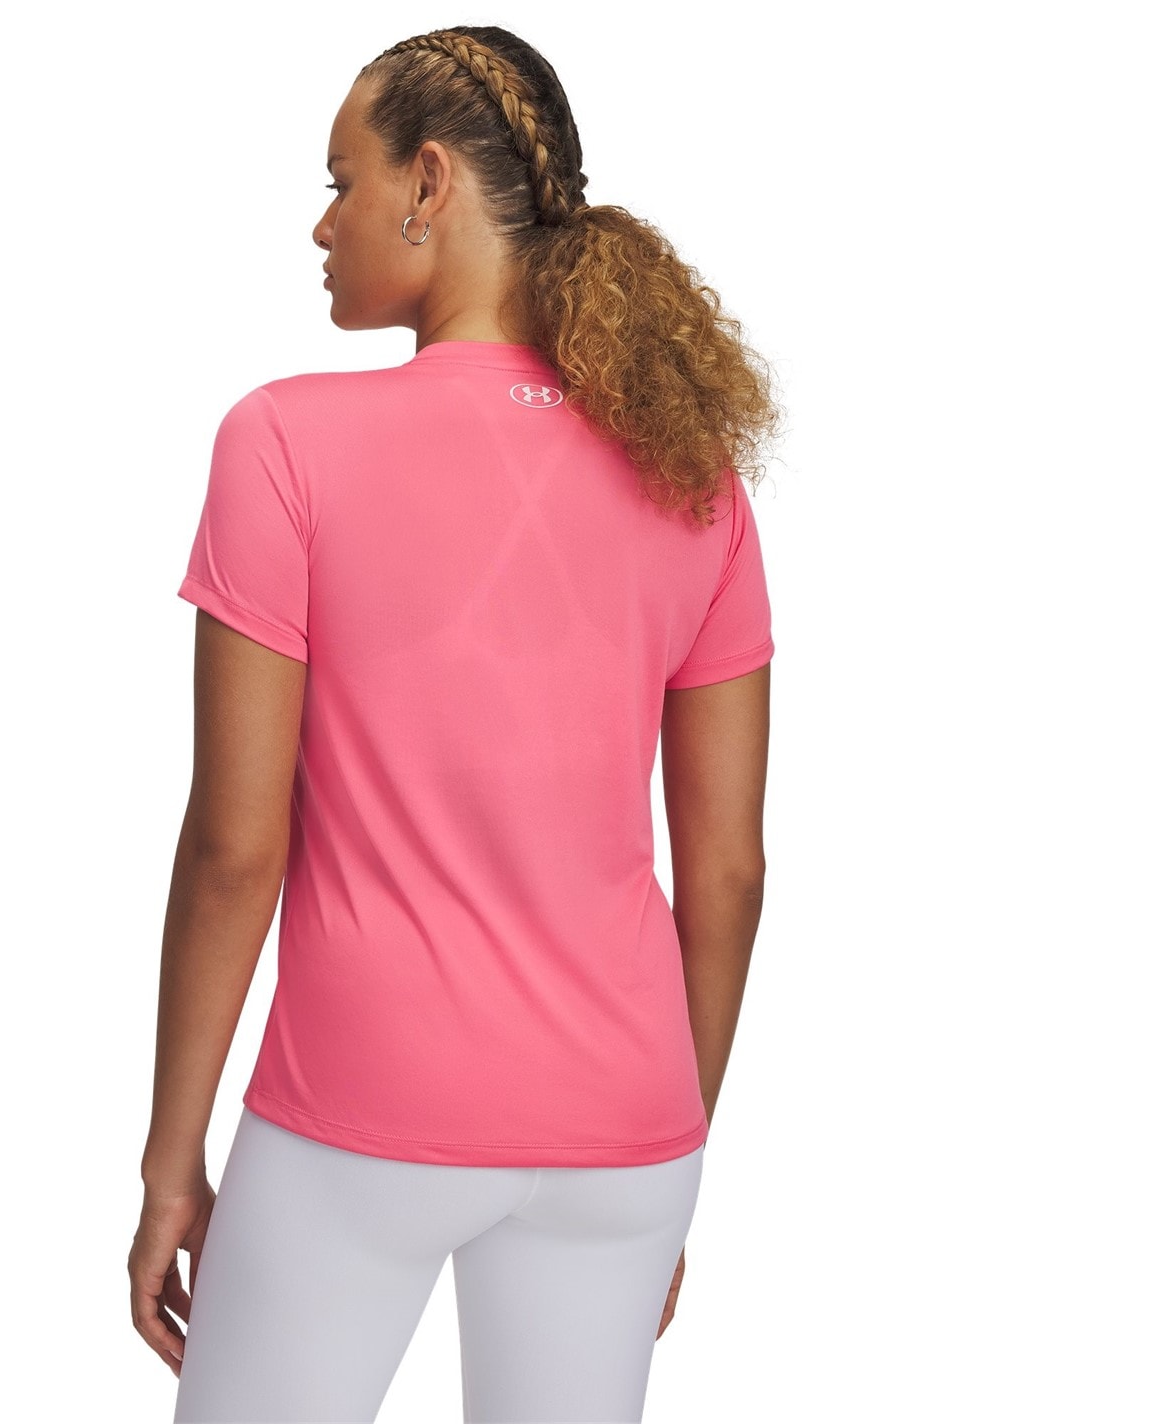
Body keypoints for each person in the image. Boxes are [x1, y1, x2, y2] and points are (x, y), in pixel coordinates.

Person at [129, 23, 780, 1425]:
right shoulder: (693, 473)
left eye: (340, 180)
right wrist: (670, 1149)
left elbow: (236, 848)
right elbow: (728, 872)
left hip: (364, 1109)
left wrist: (171, 1157)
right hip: (626, 1131)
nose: (323, 224)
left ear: (428, 182)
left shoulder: (284, 441)